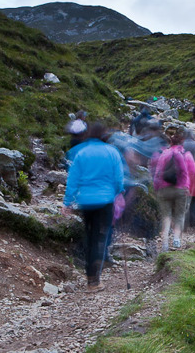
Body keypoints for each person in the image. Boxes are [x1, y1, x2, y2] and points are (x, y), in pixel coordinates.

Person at [62, 122, 124, 292]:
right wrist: (118, 192)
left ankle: (90, 275)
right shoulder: (112, 152)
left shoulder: (81, 152)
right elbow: (119, 179)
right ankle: (94, 280)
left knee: (90, 235)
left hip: (86, 201)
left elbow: (72, 180)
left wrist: (67, 202)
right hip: (105, 200)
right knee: (100, 238)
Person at [151, 130, 195, 251]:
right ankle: (176, 240)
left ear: (170, 143)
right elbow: (194, 172)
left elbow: (157, 172)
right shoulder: (186, 154)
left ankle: (165, 244)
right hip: (180, 189)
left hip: (163, 189)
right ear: (181, 143)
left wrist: (156, 188)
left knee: (166, 216)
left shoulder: (164, 154)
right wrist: (188, 186)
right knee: (179, 215)